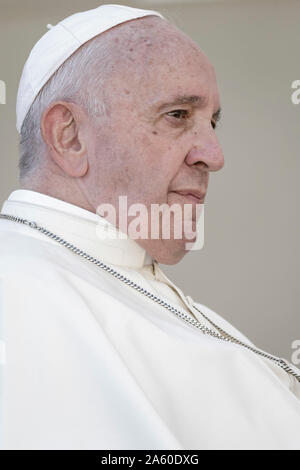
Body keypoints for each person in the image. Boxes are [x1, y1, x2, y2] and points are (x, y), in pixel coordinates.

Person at [0, 4, 299, 450]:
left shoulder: (114, 269)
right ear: (70, 137)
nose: (214, 156)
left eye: (212, 122)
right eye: (178, 115)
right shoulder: (16, 291)